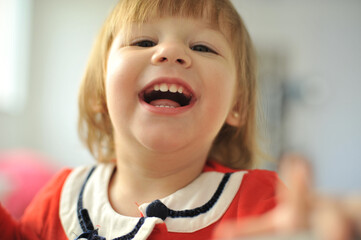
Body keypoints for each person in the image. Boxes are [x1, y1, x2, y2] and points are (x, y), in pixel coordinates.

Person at [1, 0, 360, 239]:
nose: (170, 52)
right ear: (100, 95)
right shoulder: (60, 198)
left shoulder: (261, 202)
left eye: (202, 47)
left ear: (237, 106)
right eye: (142, 41)